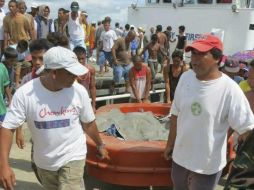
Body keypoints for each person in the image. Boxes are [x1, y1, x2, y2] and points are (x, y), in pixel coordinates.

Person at [0, 46, 109, 190]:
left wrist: (100, 145)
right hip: (45, 163)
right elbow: (8, 128)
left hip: (73, 156)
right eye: (70, 73)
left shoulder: (79, 92)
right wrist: (4, 166)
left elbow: (88, 123)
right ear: (54, 72)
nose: (75, 77)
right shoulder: (25, 94)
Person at [163, 34, 254, 190]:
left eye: (201, 54)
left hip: (207, 167)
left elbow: (247, 129)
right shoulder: (186, 78)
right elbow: (176, 113)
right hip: (180, 159)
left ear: (217, 58)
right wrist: (170, 144)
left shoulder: (230, 90)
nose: (194, 59)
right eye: (193, 54)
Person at [73, 46, 96, 112]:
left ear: (85, 58)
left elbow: (92, 87)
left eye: (82, 58)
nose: (80, 61)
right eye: (78, 59)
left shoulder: (91, 70)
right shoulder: (70, 72)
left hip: (85, 99)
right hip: (73, 101)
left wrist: (93, 106)